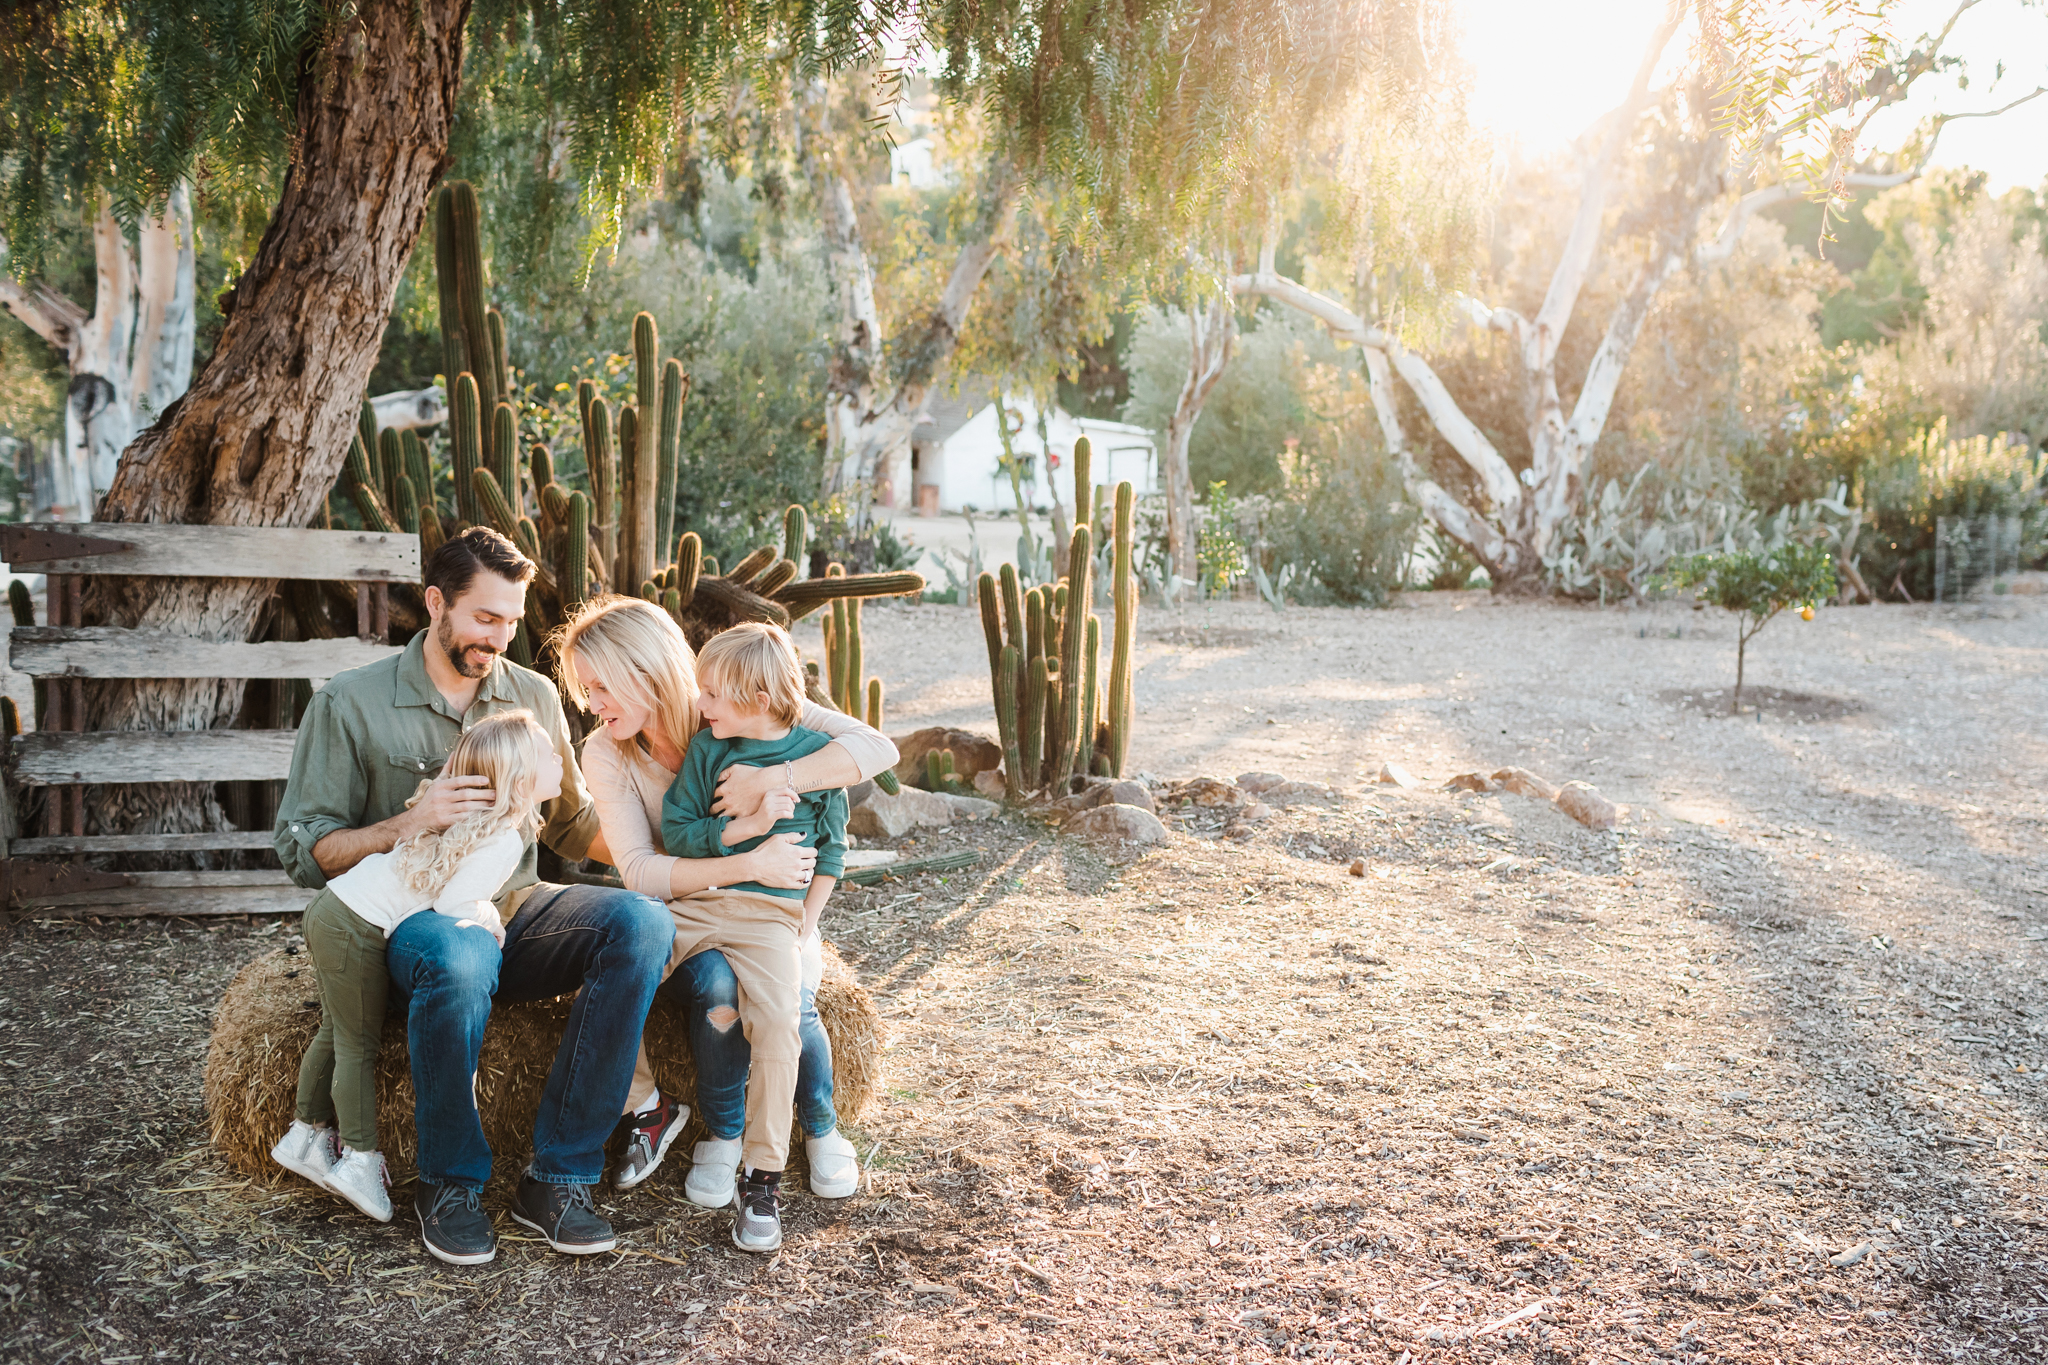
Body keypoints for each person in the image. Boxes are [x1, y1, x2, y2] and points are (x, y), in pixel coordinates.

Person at [273, 528, 675, 1267]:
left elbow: (576, 823)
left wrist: (680, 856)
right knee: (458, 953)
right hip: (414, 923)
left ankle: (559, 1177)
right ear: (437, 603)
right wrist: (407, 821)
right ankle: (450, 1185)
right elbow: (307, 852)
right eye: (485, 618)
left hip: (513, 906)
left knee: (641, 923)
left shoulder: (533, 694)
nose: (500, 636)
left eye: (512, 621)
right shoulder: (350, 703)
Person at [554, 597, 895, 1209]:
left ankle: (818, 1125)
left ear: (646, 671)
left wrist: (775, 780)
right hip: (689, 904)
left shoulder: (733, 695)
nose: (591, 705)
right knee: (685, 983)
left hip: (771, 903)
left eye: (602, 687)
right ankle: (679, 1117)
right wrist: (745, 861)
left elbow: (874, 748)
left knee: (786, 999)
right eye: (586, 690)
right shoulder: (606, 752)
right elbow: (638, 870)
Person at [272, 710, 560, 1226]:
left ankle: (303, 1137)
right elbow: (455, 905)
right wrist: (489, 919)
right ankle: (359, 1161)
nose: (560, 757)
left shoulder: (474, 823)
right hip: (353, 924)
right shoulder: (503, 837)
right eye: (548, 753)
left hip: (337, 908)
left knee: (335, 1029)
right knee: (357, 1041)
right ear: (521, 781)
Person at [659, 623, 847, 1251]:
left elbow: (832, 857)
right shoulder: (708, 750)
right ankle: (642, 1110)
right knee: (616, 964)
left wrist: (804, 927)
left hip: (771, 918)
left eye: (711, 693)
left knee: (777, 1022)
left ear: (758, 695)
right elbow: (679, 836)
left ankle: (761, 1177)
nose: (700, 704)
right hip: (697, 899)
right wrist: (749, 829)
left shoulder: (820, 756)